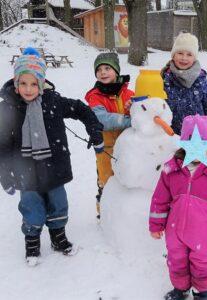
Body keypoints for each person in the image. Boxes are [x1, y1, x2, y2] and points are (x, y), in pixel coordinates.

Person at [0, 47, 104, 266]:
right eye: (23, 83)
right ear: (15, 82)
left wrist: (94, 130)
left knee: (58, 204)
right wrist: (5, 175)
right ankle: (32, 242)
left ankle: (58, 238)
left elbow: (81, 110)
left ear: (42, 83)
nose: (29, 89)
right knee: (31, 208)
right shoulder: (7, 109)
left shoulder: (53, 101)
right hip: (25, 172)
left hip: (54, 168)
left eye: (34, 84)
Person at [149, 115, 207, 300]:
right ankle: (180, 289)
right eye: (191, 142)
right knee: (176, 261)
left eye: (203, 143)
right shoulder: (171, 170)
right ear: (183, 143)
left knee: (202, 264)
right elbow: (160, 199)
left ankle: (202, 292)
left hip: (205, 234)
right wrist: (156, 225)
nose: (197, 148)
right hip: (175, 232)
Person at [85, 50, 134, 219]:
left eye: (107, 68)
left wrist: (132, 109)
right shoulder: (95, 96)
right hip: (105, 149)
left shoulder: (129, 94)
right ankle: (104, 214)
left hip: (127, 148)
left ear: (116, 71)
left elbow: (140, 112)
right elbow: (101, 119)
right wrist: (129, 120)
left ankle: (124, 214)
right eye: (99, 70)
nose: (103, 72)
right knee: (106, 181)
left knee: (127, 180)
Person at [161, 32, 207, 138]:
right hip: (171, 135)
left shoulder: (200, 80)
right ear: (173, 55)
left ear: (194, 58)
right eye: (180, 53)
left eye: (189, 54)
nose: (184, 58)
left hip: (196, 136)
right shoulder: (165, 79)